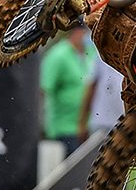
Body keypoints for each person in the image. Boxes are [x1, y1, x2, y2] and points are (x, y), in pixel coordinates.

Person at [40, 24, 96, 157]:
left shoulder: (91, 53)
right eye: (86, 31)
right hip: (64, 129)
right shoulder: (58, 55)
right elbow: (44, 89)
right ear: (76, 31)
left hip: (86, 127)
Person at [78, 54, 125, 142]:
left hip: (125, 126)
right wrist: (82, 123)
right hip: (101, 124)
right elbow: (91, 88)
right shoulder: (101, 56)